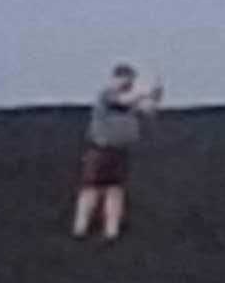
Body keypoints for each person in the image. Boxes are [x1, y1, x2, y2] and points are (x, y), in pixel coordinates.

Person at [70, 63, 164, 240]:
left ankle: (111, 230)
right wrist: (145, 92)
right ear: (115, 79)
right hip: (100, 150)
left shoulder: (131, 101)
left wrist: (156, 93)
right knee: (91, 188)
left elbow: (149, 110)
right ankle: (80, 227)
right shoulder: (107, 95)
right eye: (123, 78)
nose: (126, 82)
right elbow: (123, 101)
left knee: (115, 190)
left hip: (120, 151)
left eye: (129, 79)